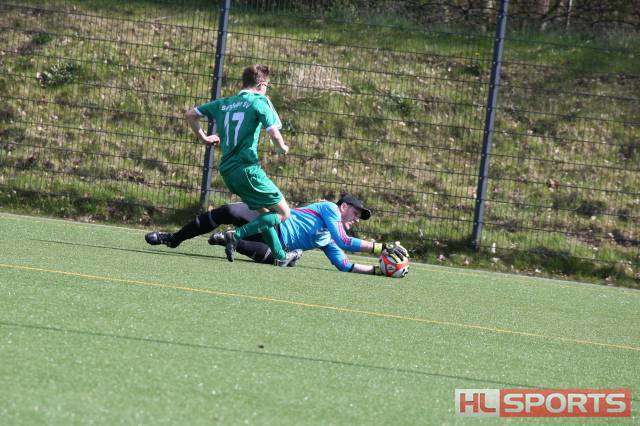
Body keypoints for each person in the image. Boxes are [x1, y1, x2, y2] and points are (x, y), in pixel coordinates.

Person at [185, 64, 298, 266]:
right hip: (248, 170)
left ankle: (280, 256)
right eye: (267, 86)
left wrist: (204, 138)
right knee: (283, 213)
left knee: (264, 213)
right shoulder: (259, 101)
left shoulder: (225, 103)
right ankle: (235, 235)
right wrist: (282, 148)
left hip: (228, 172)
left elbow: (190, 114)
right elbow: (274, 133)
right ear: (262, 84)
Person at [145, 194, 409, 277]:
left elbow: (343, 264)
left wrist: (378, 271)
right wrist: (381, 248)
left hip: (274, 243)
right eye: (355, 212)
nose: (356, 218)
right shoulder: (330, 208)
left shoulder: (327, 238)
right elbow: (345, 242)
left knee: (271, 257)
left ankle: (229, 239)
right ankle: (173, 239)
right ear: (343, 207)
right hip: (272, 222)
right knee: (228, 211)